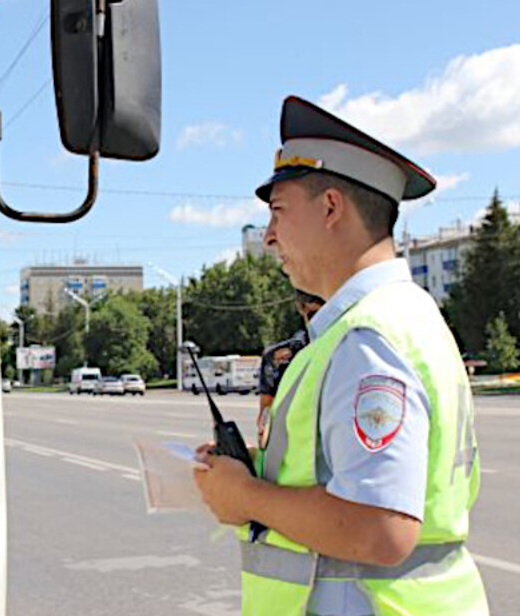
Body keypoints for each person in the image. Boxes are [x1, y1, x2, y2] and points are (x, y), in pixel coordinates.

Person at [192, 96, 487, 615]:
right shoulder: (399, 316)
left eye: (278, 212)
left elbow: (381, 529)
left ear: (330, 207)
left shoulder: (367, 337)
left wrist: (246, 498)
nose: (268, 237)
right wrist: (247, 472)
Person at [256, 289, 324, 448]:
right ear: (302, 310)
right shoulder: (278, 357)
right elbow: (266, 417)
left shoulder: (351, 345)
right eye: (315, 315)